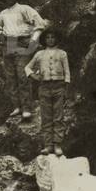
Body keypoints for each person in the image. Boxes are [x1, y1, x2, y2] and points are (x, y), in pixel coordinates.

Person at [0, 0, 47, 121]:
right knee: (11, 77)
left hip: (23, 42)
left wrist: (34, 40)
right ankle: (16, 106)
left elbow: (40, 24)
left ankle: (27, 108)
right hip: (8, 44)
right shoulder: (2, 13)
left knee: (23, 75)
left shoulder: (25, 9)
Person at [25, 27, 71, 157]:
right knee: (46, 117)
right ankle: (48, 145)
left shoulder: (62, 53)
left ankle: (57, 144)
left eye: (53, 37)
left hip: (59, 86)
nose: (50, 40)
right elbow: (27, 68)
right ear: (44, 40)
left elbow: (67, 71)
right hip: (44, 88)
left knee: (58, 116)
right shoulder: (39, 54)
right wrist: (34, 76)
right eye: (48, 38)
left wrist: (66, 86)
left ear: (56, 39)